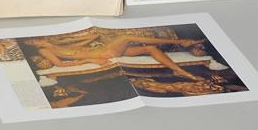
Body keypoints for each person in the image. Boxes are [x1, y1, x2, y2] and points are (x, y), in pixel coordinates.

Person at [25, 31, 204, 82]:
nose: (35, 41)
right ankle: (182, 41)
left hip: (103, 48)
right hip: (105, 53)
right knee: (125, 37)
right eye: (32, 42)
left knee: (150, 48)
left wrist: (91, 37)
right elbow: (61, 65)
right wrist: (87, 60)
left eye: (34, 38)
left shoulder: (54, 43)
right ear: (33, 46)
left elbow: (78, 46)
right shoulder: (44, 51)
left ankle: (179, 71)